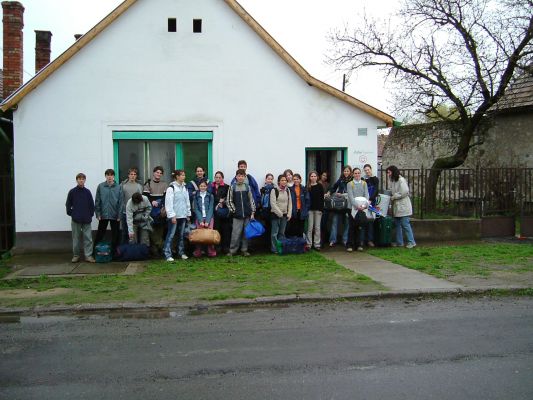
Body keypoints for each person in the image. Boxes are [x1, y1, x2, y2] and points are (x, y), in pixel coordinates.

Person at [65, 173, 96, 263]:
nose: (81, 180)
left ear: (85, 180)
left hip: (86, 219)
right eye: (79, 179)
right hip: (76, 220)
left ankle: (88, 256)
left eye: (83, 179)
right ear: (76, 180)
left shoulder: (87, 192)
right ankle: (76, 255)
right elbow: (68, 204)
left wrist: (90, 214)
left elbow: (91, 205)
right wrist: (72, 213)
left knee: (88, 239)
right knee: (76, 238)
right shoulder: (72, 192)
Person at [163, 169, 191, 261]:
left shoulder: (185, 187)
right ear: (177, 177)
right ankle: (167, 254)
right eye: (182, 175)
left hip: (183, 215)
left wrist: (188, 213)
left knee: (182, 235)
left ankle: (181, 252)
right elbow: (168, 203)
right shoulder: (171, 188)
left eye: (184, 175)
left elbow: (187, 201)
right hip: (174, 216)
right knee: (171, 235)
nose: (184, 177)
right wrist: (172, 215)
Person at [227, 168, 256, 256]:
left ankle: (244, 250)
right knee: (235, 233)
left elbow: (251, 200)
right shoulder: (232, 187)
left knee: (246, 234)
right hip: (237, 215)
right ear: (236, 177)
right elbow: (229, 200)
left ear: (244, 177)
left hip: (247, 214)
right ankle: (232, 250)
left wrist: (253, 212)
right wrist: (234, 210)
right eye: (239, 176)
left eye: (242, 176)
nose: (240, 177)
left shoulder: (247, 187)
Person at [386, 165, 416, 248]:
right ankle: (400, 242)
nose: (388, 174)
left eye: (389, 172)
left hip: (403, 205)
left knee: (405, 224)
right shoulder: (393, 181)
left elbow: (405, 191)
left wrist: (394, 196)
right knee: (397, 224)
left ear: (393, 172)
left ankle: (411, 242)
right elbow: (392, 190)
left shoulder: (401, 180)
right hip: (397, 206)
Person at [94, 169, 122, 256]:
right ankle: (95, 252)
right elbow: (97, 201)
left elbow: (121, 202)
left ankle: (114, 253)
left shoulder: (118, 187)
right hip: (103, 214)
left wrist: (119, 215)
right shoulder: (101, 186)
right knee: (100, 233)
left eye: (111, 175)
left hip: (115, 214)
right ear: (105, 176)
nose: (109, 177)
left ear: (114, 176)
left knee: (115, 235)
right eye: (108, 175)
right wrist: (98, 213)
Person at [143, 166, 168, 255]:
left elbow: (166, 197)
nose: (158, 174)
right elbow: (145, 196)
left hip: (161, 209)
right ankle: (157, 247)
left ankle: (160, 248)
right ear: (154, 173)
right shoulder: (148, 183)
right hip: (151, 208)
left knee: (160, 228)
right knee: (152, 228)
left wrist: (163, 205)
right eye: (157, 172)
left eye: (160, 173)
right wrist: (152, 201)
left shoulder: (164, 184)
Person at [326, 165, 352, 247]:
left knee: (348, 223)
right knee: (334, 221)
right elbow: (334, 187)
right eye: (345, 171)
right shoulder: (341, 180)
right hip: (339, 204)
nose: (346, 172)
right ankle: (333, 240)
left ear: (350, 172)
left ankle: (345, 240)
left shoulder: (352, 181)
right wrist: (329, 193)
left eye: (347, 171)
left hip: (348, 205)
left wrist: (343, 194)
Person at [347, 168, 370, 252]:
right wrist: (357, 206)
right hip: (352, 208)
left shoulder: (364, 183)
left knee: (360, 226)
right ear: (353, 174)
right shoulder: (350, 184)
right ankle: (350, 245)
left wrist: (364, 205)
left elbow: (366, 195)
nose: (357, 175)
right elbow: (350, 196)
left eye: (358, 173)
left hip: (362, 208)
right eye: (355, 173)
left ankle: (359, 244)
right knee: (352, 226)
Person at [192, 180, 217, 257]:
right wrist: (200, 221)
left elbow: (210, 209)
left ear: (206, 187)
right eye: (201, 186)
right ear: (199, 187)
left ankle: (211, 252)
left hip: (209, 218)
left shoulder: (210, 196)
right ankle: (198, 251)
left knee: (209, 236)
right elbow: (196, 209)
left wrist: (207, 221)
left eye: (204, 186)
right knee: (199, 236)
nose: (203, 187)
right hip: (199, 218)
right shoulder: (196, 196)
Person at [209, 171, 231, 254]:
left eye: (219, 177)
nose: (218, 179)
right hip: (214, 212)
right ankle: (217, 248)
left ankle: (226, 248)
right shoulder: (211, 187)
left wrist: (223, 202)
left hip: (224, 212)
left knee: (226, 230)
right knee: (216, 229)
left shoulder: (227, 187)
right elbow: (210, 197)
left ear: (222, 178)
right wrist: (219, 200)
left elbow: (229, 198)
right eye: (216, 177)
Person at [120, 168, 143, 244]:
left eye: (134, 174)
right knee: (124, 232)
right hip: (125, 212)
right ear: (128, 175)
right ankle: (124, 251)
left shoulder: (139, 186)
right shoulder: (123, 185)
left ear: (136, 176)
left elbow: (140, 200)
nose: (133, 176)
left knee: (135, 233)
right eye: (131, 174)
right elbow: (120, 199)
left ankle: (134, 250)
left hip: (136, 213)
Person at [269, 174, 292, 253]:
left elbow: (290, 203)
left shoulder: (288, 190)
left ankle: (281, 248)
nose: (284, 182)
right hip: (275, 215)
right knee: (274, 233)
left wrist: (289, 213)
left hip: (285, 215)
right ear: (279, 181)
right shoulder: (274, 190)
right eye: (282, 180)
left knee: (282, 233)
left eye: (285, 180)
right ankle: (274, 249)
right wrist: (280, 214)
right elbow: (273, 204)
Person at [306, 171, 324, 250]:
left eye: (314, 176)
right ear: (309, 177)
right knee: (310, 228)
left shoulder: (320, 186)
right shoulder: (307, 186)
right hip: (310, 210)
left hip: (318, 210)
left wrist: (321, 209)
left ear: (317, 177)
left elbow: (321, 198)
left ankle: (317, 244)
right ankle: (309, 244)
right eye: (312, 176)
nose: (313, 178)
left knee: (317, 227)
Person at [287, 173, 309, 238]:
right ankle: (294, 244)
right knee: (293, 228)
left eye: (297, 179)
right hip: (293, 211)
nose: (296, 180)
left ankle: (300, 244)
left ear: (300, 180)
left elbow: (307, 200)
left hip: (302, 211)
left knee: (301, 228)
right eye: (294, 179)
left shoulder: (304, 189)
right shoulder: (290, 189)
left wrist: (306, 210)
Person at [363, 164, 379, 247]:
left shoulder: (375, 179)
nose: (367, 171)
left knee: (371, 222)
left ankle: (370, 240)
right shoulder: (363, 180)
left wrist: (370, 200)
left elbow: (376, 191)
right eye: (365, 170)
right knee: (363, 221)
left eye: (368, 170)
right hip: (364, 203)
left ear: (371, 169)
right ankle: (363, 240)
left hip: (372, 203)